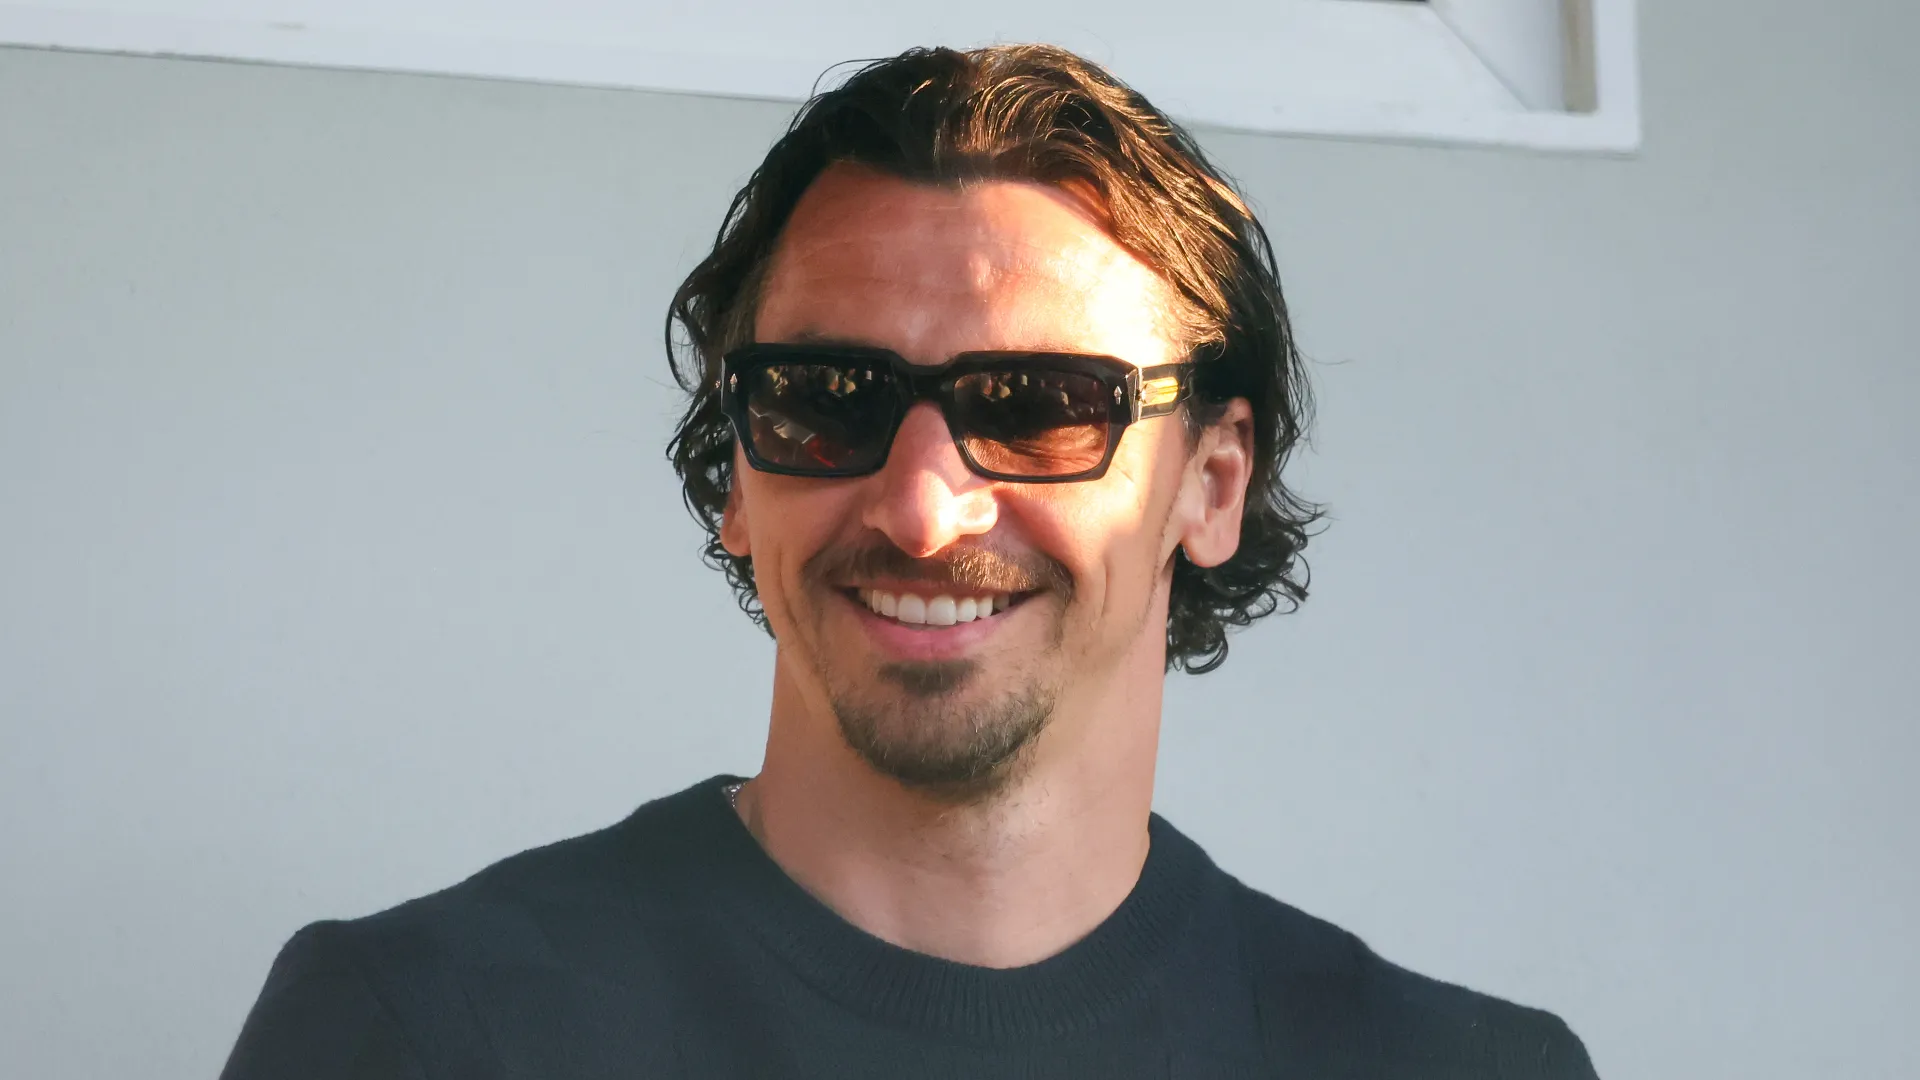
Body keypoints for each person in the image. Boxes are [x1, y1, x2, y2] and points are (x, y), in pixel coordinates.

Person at [222, 44, 1598, 1079]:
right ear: (737, 477)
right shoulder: (420, 1032)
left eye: (1040, 406)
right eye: (826, 397)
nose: (925, 509)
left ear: (1212, 483)